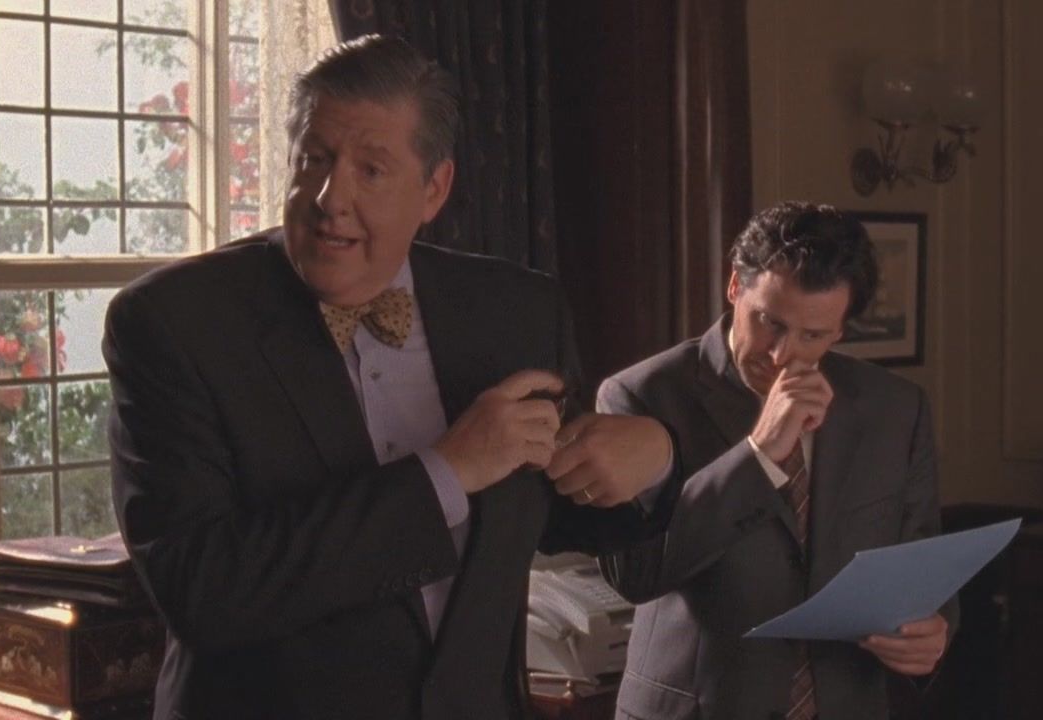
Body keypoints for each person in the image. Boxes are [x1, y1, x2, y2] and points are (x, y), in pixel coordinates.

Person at [103, 35, 675, 720]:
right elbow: (206, 591)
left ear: (434, 189)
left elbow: (551, 511)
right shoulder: (173, 322)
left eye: (371, 170)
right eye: (314, 159)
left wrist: (656, 459)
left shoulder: (517, 311)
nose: (329, 198)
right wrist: (447, 472)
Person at [596, 201, 957, 720]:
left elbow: (922, 565)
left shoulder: (896, 408)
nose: (782, 354)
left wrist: (932, 631)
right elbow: (635, 574)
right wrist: (758, 454)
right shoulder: (641, 396)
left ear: (840, 331)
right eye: (770, 323)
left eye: (813, 335)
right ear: (734, 287)